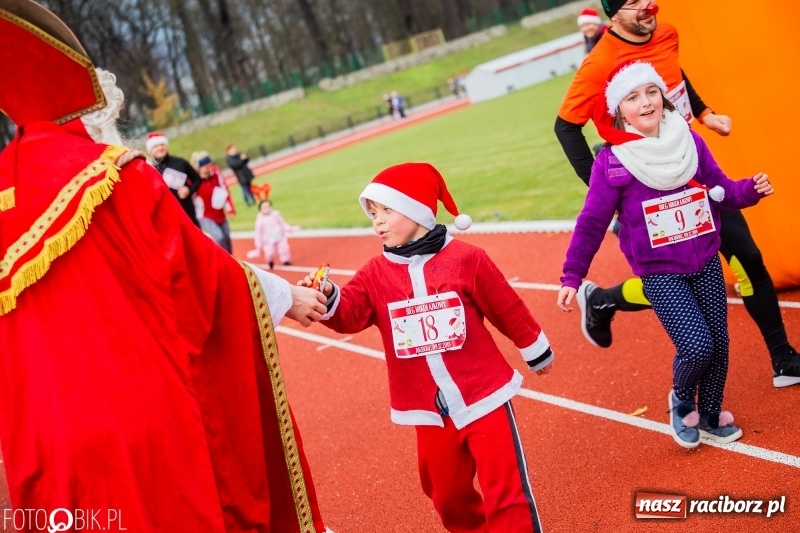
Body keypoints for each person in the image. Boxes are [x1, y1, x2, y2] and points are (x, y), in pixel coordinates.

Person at [0, 2, 329, 531]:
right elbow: (197, 275)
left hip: (42, 445)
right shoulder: (117, 177)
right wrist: (286, 297)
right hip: (140, 421)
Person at [553, 0, 800, 388]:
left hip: (689, 167)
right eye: (632, 3)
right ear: (612, 13)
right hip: (646, 183)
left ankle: (783, 358)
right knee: (672, 278)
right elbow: (566, 128)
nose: (647, 6)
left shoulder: (667, 32)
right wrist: (608, 191)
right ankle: (605, 300)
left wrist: (704, 114)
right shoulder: (599, 63)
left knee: (747, 256)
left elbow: (674, 76)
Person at [300, 162, 554, 532]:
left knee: (506, 491)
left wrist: (535, 348)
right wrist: (328, 294)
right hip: (426, 407)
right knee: (446, 495)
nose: (378, 221)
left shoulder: (467, 259)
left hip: (484, 395)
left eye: (388, 210)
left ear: (417, 209)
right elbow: (350, 314)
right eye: (373, 213)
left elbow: (505, 306)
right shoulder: (374, 273)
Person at [557, 62, 774, 448]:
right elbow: (591, 222)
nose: (645, 102)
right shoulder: (613, 162)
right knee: (697, 346)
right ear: (618, 111)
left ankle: (708, 415)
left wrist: (751, 190)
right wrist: (572, 276)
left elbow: (720, 190)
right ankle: (680, 398)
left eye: (651, 92)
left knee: (720, 344)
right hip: (660, 272)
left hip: (705, 257)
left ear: (664, 96)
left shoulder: (689, 140)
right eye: (633, 97)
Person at [146, 131, 203, 227]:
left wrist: (189, 190)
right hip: (166, 218)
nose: (160, 148)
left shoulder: (180, 162)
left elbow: (197, 179)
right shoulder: (149, 169)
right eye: (155, 146)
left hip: (188, 213)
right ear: (150, 150)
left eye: (162, 144)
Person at [191, 150, 235, 253]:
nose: (209, 168)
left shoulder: (216, 172)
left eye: (210, 165)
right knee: (219, 237)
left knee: (227, 237)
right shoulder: (194, 179)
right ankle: (225, 260)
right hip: (205, 215)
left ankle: (232, 260)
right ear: (199, 168)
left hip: (219, 212)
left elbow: (224, 188)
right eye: (205, 167)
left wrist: (230, 208)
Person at [249, 199, 299, 269]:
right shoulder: (260, 220)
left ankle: (285, 260)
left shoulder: (275, 215)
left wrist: (290, 228)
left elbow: (282, 224)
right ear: (260, 209)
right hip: (268, 239)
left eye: (268, 206)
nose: (267, 209)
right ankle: (270, 260)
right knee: (270, 252)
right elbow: (258, 233)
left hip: (279, 236)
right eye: (264, 207)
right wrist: (258, 245)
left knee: (284, 248)